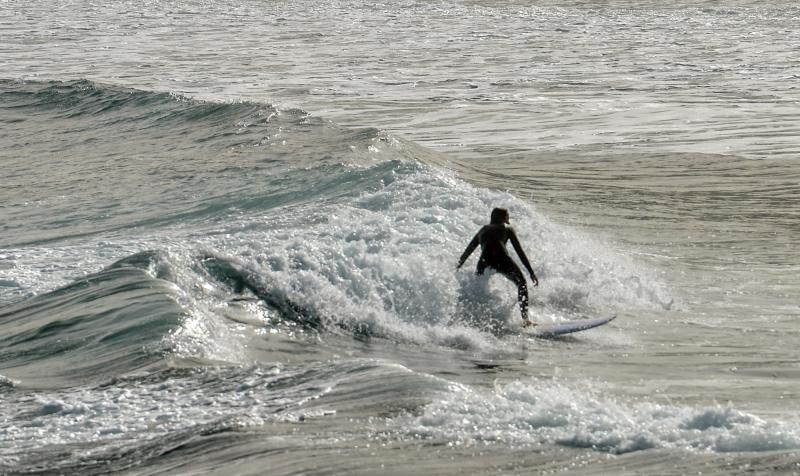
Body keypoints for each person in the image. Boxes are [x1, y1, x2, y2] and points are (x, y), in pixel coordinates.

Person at [457, 207, 539, 327]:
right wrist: (531, 271)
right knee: (522, 284)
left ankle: (473, 319)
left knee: (477, 289)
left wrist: (457, 267)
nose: (508, 218)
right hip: (502, 259)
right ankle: (525, 320)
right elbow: (519, 251)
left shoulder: (482, 230)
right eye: (507, 216)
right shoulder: (507, 229)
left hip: (484, 262)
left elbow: (467, 251)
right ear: (503, 218)